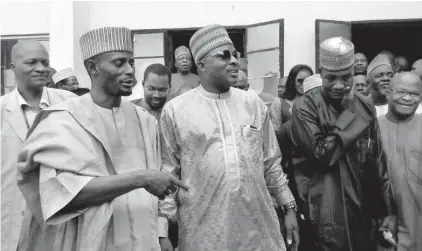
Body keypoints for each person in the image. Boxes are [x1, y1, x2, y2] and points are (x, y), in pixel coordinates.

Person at [16, 26, 188, 251]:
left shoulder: (144, 120)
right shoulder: (62, 120)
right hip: (90, 241)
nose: (129, 71)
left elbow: (157, 183)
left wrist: (162, 231)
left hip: (144, 239)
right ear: (92, 67)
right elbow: (60, 194)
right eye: (119, 63)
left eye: (131, 63)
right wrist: (141, 179)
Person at [160, 24, 299, 251]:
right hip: (203, 229)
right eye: (224, 56)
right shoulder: (175, 110)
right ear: (201, 64)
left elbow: (270, 162)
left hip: (257, 226)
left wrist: (288, 206)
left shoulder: (252, 103)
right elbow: (169, 173)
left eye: (234, 55)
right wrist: (163, 228)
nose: (234, 61)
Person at [290, 37, 397, 251]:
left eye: (346, 77)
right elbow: (323, 155)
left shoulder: (365, 104)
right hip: (324, 211)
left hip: (363, 211)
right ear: (321, 73)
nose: (340, 85)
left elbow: (377, 160)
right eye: (331, 78)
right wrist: (349, 113)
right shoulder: (305, 106)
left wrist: (387, 211)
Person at [0, 40, 76, 251]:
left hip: (59, 211)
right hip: (11, 214)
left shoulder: (70, 104)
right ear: (13, 68)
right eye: (32, 62)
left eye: (45, 62)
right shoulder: (2, 109)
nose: (41, 69)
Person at [378, 72, 422, 251]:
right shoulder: (371, 128)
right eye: (401, 92)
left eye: (414, 94)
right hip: (381, 227)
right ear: (388, 92)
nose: (407, 98)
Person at [269, 65, 313, 137]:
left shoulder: (316, 101)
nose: (303, 84)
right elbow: (275, 133)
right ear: (292, 81)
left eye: (307, 81)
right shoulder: (280, 102)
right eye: (300, 81)